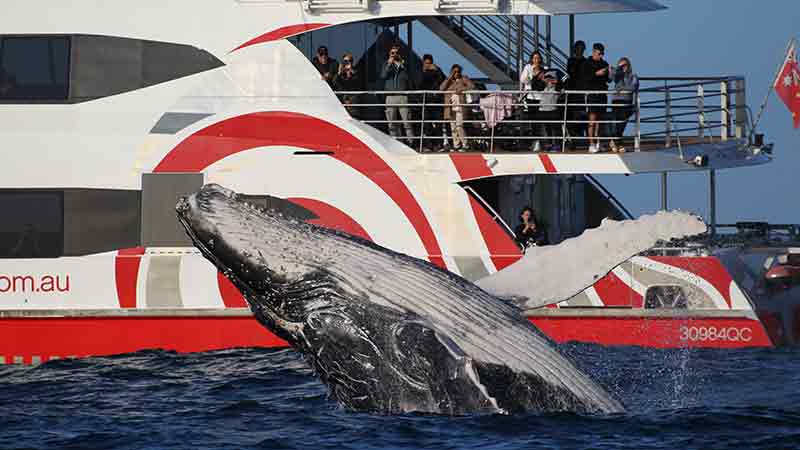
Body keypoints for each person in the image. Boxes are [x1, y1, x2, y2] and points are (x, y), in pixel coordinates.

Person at [380, 45, 415, 141]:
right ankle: (395, 141)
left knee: (407, 122)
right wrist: (389, 64)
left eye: (396, 53)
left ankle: (411, 142)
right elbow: (383, 76)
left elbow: (409, 78)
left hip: (402, 96)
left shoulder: (405, 66)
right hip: (390, 96)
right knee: (391, 123)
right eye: (392, 53)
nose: (394, 55)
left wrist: (402, 64)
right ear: (389, 54)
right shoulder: (386, 64)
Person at [440, 64, 474, 151]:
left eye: (458, 71)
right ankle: (456, 145)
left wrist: (462, 89)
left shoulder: (463, 78)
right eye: (454, 71)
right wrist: (450, 77)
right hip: (450, 107)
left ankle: (465, 144)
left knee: (459, 126)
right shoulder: (448, 80)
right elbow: (441, 88)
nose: (456, 73)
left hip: (460, 106)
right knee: (453, 127)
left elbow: (472, 86)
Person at [608, 57, 639, 152]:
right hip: (616, 101)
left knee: (622, 123)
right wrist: (616, 70)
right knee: (617, 123)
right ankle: (619, 143)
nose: (623, 67)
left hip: (627, 102)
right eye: (621, 65)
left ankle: (614, 140)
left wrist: (622, 88)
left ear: (629, 66)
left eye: (625, 65)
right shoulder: (617, 75)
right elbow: (610, 78)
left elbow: (633, 87)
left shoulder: (633, 76)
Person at [584, 43, 610, 153]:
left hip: (602, 94)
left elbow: (608, 80)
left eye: (602, 54)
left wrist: (610, 73)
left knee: (600, 120)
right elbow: (584, 78)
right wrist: (596, 74)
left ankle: (599, 142)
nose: (601, 56)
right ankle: (591, 143)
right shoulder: (587, 63)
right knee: (592, 120)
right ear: (594, 52)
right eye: (599, 53)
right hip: (592, 94)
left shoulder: (604, 63)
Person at [519, 51, 548, 151]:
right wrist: (532, 74)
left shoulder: (545, 69)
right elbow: (523, 80)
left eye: (538, 58)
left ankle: (542, 141)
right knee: (533, 120)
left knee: (541, 120)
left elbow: (547, 82)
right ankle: (536, 141)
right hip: (531, 97)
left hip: (541, 97)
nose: (536, 60)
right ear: (532, 59)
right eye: (534, 58)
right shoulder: (528, 67)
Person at [418, 54, 446, 151]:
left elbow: (442, 79)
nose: (428, 66)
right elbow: (419, 83)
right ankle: (429, 145)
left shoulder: (436, 72)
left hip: (435, 101)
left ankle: (439, 144)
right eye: (426, 63)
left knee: (438, 124)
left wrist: (437, 69)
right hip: (425, 101)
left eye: (430, 64)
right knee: (426, 125)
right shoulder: (420, 72)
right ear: (423, 63)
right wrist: (423, 70)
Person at [565, 41, 588, 148]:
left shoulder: (586, 61)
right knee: (573, 114)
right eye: (579, 48)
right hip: (573, 90)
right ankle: (574, 138)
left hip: (582, 90)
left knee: (582, 114)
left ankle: (580, 136)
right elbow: (571, 72)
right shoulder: (571, 60)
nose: (580, 50)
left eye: (582, 48)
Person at [537, 71, 564, 151]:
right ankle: (548, 144)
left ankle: (557, 145)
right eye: (547, 78)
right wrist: (542, 80)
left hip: (553, 110)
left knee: (556, 129)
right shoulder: (543, 86)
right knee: (546, 128)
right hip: (542, 110)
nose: (549, 80)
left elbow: (561, 88)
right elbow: (536, 86)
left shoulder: (557, 87)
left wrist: (556, 82)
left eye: (551, 78)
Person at [332, 52, 362, 117]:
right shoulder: (340, 72)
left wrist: (352, 72)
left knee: (354, 118)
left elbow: (358, 83)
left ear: (352, 62)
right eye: (345, 61)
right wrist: (339, 73)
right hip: (342, 100)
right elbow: (334, 82)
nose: (348, 62)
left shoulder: (356, 71)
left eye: (350, 60)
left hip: (353, 100)